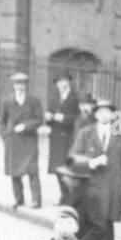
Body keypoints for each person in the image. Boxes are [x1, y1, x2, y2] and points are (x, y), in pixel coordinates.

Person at [67, 98, 121, 240]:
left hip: (111, 193)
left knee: (106, 234)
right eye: (101, 111)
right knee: (89, 230)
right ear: (95, 114)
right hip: (89, 193)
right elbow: (73, 159)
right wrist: (92, 162)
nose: (104, 115)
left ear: (113, 115)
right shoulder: (86, 133)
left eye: (108, 111)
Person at [0, 72, 43, 209]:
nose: (20, 86)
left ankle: (36, 200)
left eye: (23, 83)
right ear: (14, 85)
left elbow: (39, 119)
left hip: (29, 140)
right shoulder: (7, 101)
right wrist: (5, 135)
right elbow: (2, 121)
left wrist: (25, 126)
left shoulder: (34, 101)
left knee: (32, 171)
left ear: (26, 85)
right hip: (13, 141)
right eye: (17, 83)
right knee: (14, 172)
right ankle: (19, 199)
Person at [45, 72, 81, 203]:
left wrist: (65, 118)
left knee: (68, 169)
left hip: (69, 138)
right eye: (59, 82)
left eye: (64, 81)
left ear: (69, 83)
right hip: (55, 138)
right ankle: (64, 196)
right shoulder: (54, 98)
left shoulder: (75, 98)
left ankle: (70, 198)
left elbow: (79, 118)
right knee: (57, 169)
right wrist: (48, 117)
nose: (61, 84)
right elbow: (49, 117)